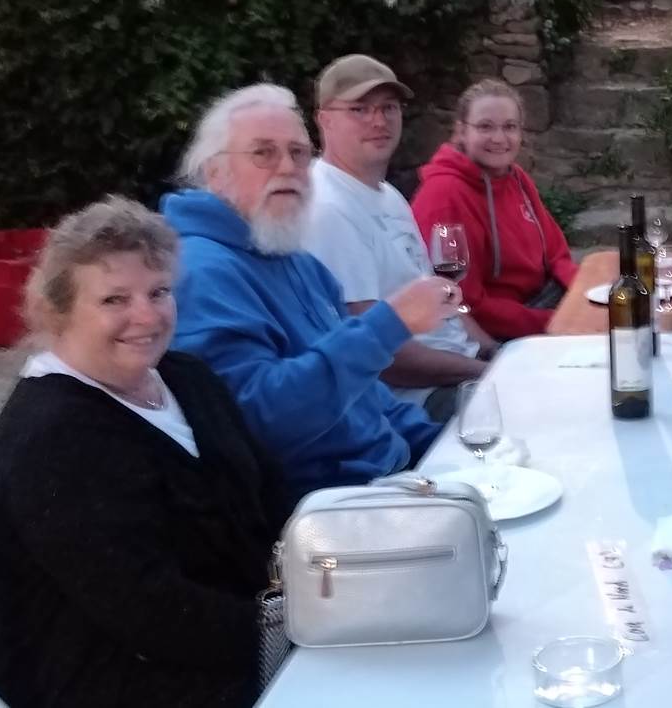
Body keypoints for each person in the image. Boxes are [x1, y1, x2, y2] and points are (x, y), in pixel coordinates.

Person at [0, 197, 289, 708]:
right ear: (57, 311)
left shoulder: (188, 379)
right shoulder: (56, 437)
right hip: (116, 678)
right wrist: (294, 629)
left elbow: (271, 496)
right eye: (114, 300)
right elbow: (154, 612)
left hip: (231, 638)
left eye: (158, 292)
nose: (146, 316)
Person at [162, 83, 460, 499]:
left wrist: (445, 448)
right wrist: (388, 325)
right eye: (264, 152)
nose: (287, 167)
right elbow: (262, 423)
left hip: (399, 477)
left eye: (299, 153)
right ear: (216, 173)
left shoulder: (297, 259)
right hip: (328, 511)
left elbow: (365, 393)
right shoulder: (201, 272)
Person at [304, 54, 498, 422]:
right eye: (359, 109)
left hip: (461, 368)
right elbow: (383, 356)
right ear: (324, 120)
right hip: (419, 401)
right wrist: (485, 373)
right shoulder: (329, 209)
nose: (378, 121)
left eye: (388, 107)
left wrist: (492, 349)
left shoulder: (387, 194)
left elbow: (439, 295)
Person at [410, 78, 578, 341]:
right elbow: (467, 305)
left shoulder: (516, 178)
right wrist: (556, 321)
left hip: (540, 303)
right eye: (485, 127)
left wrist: (583, 295)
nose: (499, 138)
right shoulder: (445, 195)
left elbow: (557, 253)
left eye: (509, 127)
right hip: (497, 330)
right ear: (461, 131)